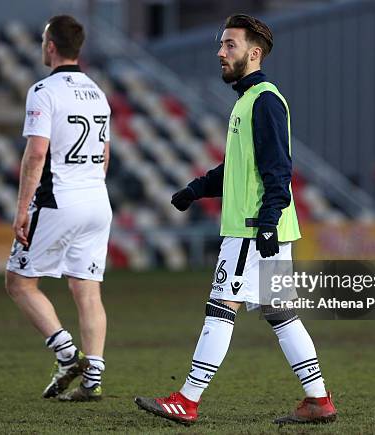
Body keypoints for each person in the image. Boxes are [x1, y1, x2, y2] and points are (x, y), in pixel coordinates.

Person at [134, 14, 337, 425]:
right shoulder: (249, 101)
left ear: (254, 53)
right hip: (266, 228)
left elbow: (280, 169)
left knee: (220, 307)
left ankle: (188, 399)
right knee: (281, 313)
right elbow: (239, 169)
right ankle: (317, 399)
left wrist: (265, 221)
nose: (220, 52)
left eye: (230, 45)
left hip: (252, 229)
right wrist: (196, 189)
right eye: (221, 45)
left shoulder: (264, 100)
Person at [5, 15, 112, 402]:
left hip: (58, 200)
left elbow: (36, 154)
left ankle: (68, 355)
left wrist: (22, 210)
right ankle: (93, 378)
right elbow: (104, 154)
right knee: (87, 289)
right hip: (97, 200)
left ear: (50, 46)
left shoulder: (44, 90)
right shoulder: (97, 92)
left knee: (19, 282)